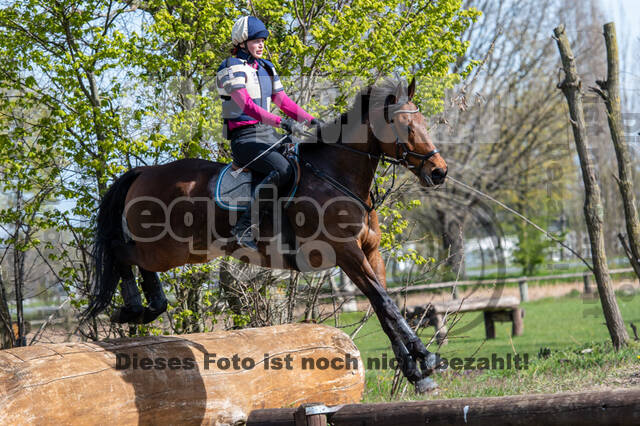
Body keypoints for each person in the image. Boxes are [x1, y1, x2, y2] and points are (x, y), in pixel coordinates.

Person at [217, 16, 319, 250]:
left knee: (303, 160)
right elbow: (246, 106)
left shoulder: (266, 67)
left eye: (262, 40)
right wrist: (280, 122)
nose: (261, 44)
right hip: (245, 138)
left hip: (266, 135)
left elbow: (282, 101)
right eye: (256, 40)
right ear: (242, 42)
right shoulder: (231, 66)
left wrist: (311, 120)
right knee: (281, 170)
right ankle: (244, 227)